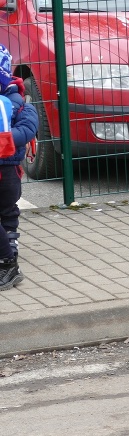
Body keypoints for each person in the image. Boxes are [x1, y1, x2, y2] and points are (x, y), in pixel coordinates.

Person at [0, 45, 38, 291]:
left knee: (7, 211)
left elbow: (28, 129)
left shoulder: (18, 103)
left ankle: (9, 252)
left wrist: (6, 138)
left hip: (8, 169)